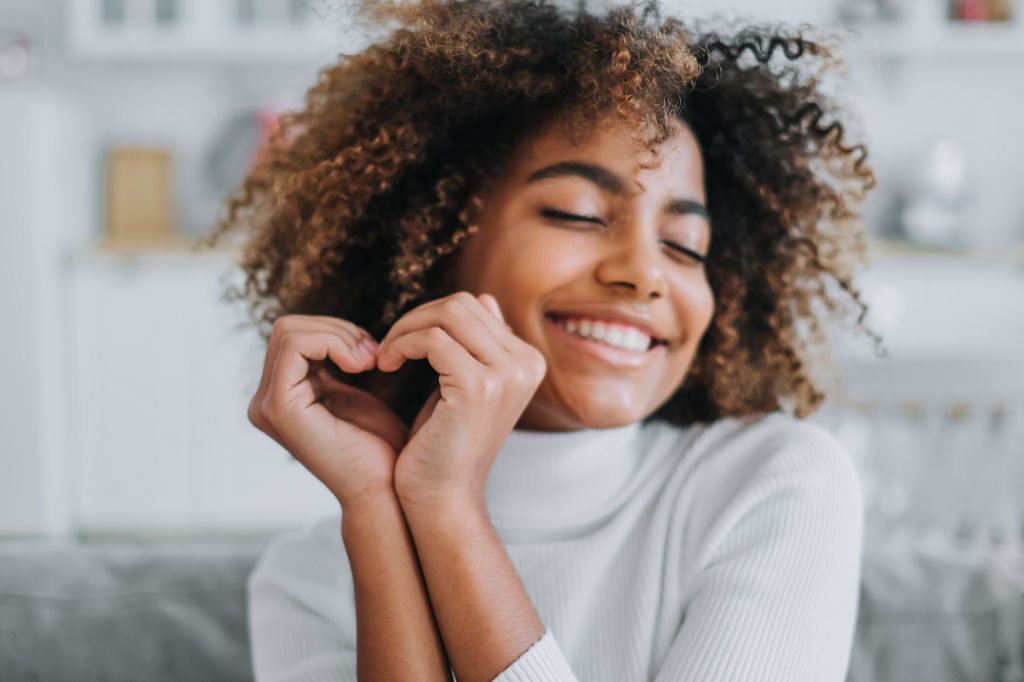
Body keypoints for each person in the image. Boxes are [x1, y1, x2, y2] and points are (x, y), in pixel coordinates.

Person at [200, 0, 884, 679]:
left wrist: (450, 509)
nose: (645, 274)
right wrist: (381, 513)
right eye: (576, 214)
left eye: (684, 245)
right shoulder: (308, 580)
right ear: (438, 242)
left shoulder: (773, 484)